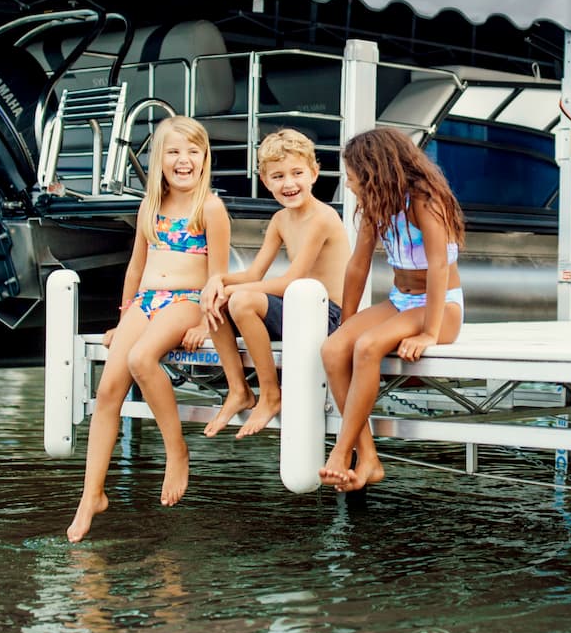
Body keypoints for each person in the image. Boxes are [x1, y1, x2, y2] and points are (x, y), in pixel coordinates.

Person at [66, 116, 229, 542]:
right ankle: (91, 495)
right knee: (107, 390)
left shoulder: (210, 208)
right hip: (146, 302)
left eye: (193, 151)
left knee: (142, 359)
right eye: (174, 152)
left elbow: (219, 278)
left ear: (204, 157)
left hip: (186, 302)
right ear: (159, 159)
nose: (184, 160)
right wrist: (123, 320)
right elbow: (137, 267)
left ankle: (177, 451)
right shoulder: (149, 207)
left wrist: (207, 326)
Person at [319, 127, 466, 492]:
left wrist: (429, 332)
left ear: (374, 171)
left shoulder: (425, 201)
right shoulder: (377, 202)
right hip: (401, 301)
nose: (349, 184)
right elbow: (358, 265)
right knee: (335, 348)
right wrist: (346, 321)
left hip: (441, 306)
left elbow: (438, 268)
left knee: (368, 347)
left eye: (353, 177)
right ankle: (368, 456)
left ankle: (340, 451)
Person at [198, 129, 350, 439]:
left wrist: (232, 291)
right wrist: (217, 281)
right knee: (218, 298)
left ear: (314, 173)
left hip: (329, 316)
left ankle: (270, 393)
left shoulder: (323, 217)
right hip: (298, 309)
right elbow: (254, 275)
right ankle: (238, 389)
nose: (289, 183)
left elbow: (291, 281)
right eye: (278, 176)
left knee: (239, 300)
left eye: (297, 173)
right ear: (266, 182)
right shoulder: (280, 220)